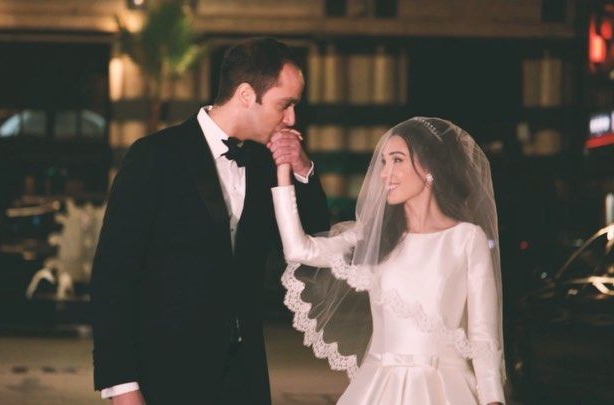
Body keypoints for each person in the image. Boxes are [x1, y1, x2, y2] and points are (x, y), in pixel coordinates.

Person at [91, 37, 330, 405]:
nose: (292, 119)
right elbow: (112, 278)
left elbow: (313, 241)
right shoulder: (154, 157)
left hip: (244, 379)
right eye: (285, 105)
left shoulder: (268, 164)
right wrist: (121, 386)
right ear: (247, 95)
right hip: (165, 378)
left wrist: (301, 168)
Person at [270, 117, 506, 404]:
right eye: (383, 162)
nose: (385, 174)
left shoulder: (468, 239)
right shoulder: (372, 237)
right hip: (379, 386)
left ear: (429, 167)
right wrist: (284, 172)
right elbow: (300, 250)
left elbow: (483, 334)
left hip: (445, 389)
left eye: (397, 160)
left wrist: (493, 397)